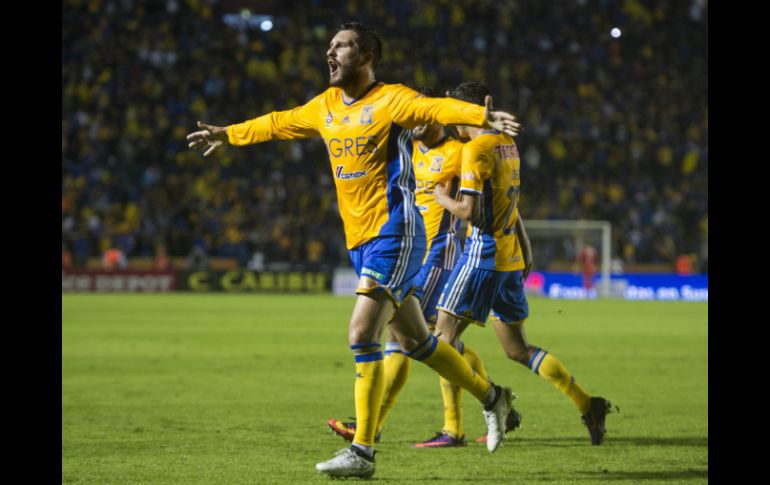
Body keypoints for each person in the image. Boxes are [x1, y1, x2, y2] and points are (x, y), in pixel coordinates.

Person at [186, 23, 520, 479]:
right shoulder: (324, 107)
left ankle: (362, 452)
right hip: (360, 241)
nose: (330, 52)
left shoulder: (390, 99)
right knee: (417, 343)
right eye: (329, 46)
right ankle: (494, 398)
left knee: (363, 334)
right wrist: (230, 134)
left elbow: (434, 106)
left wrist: (483, 118)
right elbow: (278, 122)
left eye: (340, 46)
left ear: (365, 57)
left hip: (396, 233)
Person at [326, 87, 521, 449]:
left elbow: (491, 192)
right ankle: (491, 400)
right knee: (415, 337)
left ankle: (401, 428)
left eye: (419, 118)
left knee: (404, 337)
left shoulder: (457, 152)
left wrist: (518, 238)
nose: (413, 124)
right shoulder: (408, 150)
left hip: (439, 253)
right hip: (411, 253)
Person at [431, 81, 613, 447]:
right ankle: (587, 403)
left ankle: (481, 411)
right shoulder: (507, 145)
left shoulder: (476, 149)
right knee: (517, 350)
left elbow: (469, 210)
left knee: (441, 342)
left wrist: (441, 198)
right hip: (510, 257)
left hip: (482, 258)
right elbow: (508, 203)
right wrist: (526, 247)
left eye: (454, 109)